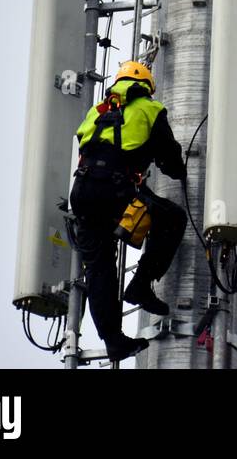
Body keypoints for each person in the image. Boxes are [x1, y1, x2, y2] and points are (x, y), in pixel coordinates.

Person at [70, 61, 186, 361]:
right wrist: (180, 170)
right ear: (146, 86)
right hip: (114, 192)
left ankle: (113, 340)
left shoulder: (97, 112)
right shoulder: (149, 108)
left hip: (82, 194)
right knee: (172, 218)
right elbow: (170, 159)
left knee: (99, 268)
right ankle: (141, 284)